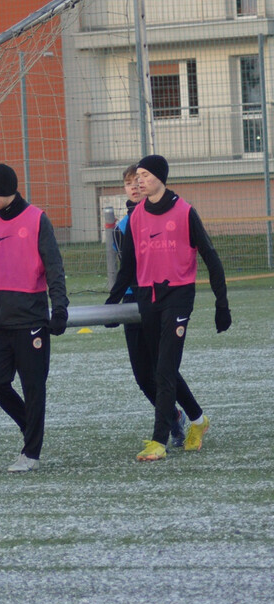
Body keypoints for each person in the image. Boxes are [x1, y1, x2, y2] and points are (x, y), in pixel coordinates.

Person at [106, 155, 229, 462]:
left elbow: (211, 257)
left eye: (145, 175)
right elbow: (129, 266)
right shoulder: (135, 218)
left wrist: (221, 303)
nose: (139, 180)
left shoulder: (184, 211)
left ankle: (159, 441)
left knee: (163, 370)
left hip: (178, 295)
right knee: (161, 369)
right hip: (148, 297)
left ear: (160, 177)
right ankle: (199, 422)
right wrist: (112, 301)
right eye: (137, 176)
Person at [0, 163, 68, 473]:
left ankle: (31, 453)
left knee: (33, 386)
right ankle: (31, 424)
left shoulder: (37, 219)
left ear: (5, 191)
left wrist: (60, 307)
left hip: (31, 317)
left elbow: (54, 267)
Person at [112, 166, 186, 448]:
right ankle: (175, 416)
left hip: (160, 297)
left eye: (137, 181)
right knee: (143, 375)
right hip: (134, 299)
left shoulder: (161, 214)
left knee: (164, 368)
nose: (133, 186)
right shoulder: (122, 226)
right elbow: (127, 266)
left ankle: (192, 419)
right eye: (128, 183)